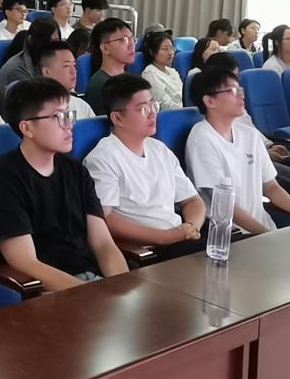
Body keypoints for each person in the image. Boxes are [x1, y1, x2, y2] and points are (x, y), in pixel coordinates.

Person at [0, 77, 127, 287]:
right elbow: (25, 262)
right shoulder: (2, 178)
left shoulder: (76, 171)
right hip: (50, 292)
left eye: (69, 115)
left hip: (92, 281)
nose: (69, 125)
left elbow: (103, 243)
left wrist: (121, 287)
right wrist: (88, 295)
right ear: (27, 128)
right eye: (58, 117)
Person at [84, 73, 207, 260]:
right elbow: (105, 219)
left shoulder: (160, 149)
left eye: (153, 105)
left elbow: (192, 200)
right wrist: (165, 237)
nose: (152, 113)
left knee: (231, 243)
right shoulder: (102, 159)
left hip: (181, 238)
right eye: (143, 109)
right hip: (151, 249)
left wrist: (191, 227)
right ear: (117, 118)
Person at [186, 67, 290, 233]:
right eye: (232, 91)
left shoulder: (249, 135)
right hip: (231, 236)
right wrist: (265, 235)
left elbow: (271, 186)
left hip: (263, 229)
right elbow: (224, 205)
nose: (241, 95)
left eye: (240, 90)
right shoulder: (201, 139)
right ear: (210, 101)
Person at [200, 52, 290, 213]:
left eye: (237, 80)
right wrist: (266, 153)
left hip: (264, 151)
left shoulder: (238, 113)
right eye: (231, 86)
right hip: (253, 159)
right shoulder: (210, 127)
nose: (239, 90)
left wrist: (270, 145)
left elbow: (251, 129)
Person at [0, 18, 61, 105]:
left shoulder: (51, 62)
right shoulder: (16, 70)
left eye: (56, 41)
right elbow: (34, 105)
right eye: (48, 41)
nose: (52, 47)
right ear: (31, 40)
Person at [83, 18, 136, 114]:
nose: (131, 45)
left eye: (132, 39)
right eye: (123, 40)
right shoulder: (100, 86)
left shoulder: (131, 79)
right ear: (105, 48)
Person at [37, 42, 97, 123]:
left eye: (74, 65)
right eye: (66, 66)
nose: (73, 71)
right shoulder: (35, 109)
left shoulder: (82, 106)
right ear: (47, 72)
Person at [140, 29, 183, 111]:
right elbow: (163, 105)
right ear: (152, 52)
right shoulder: (150, 73)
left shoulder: (172, 71)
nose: (170, 52)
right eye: (165, 49)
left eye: (171, 48)